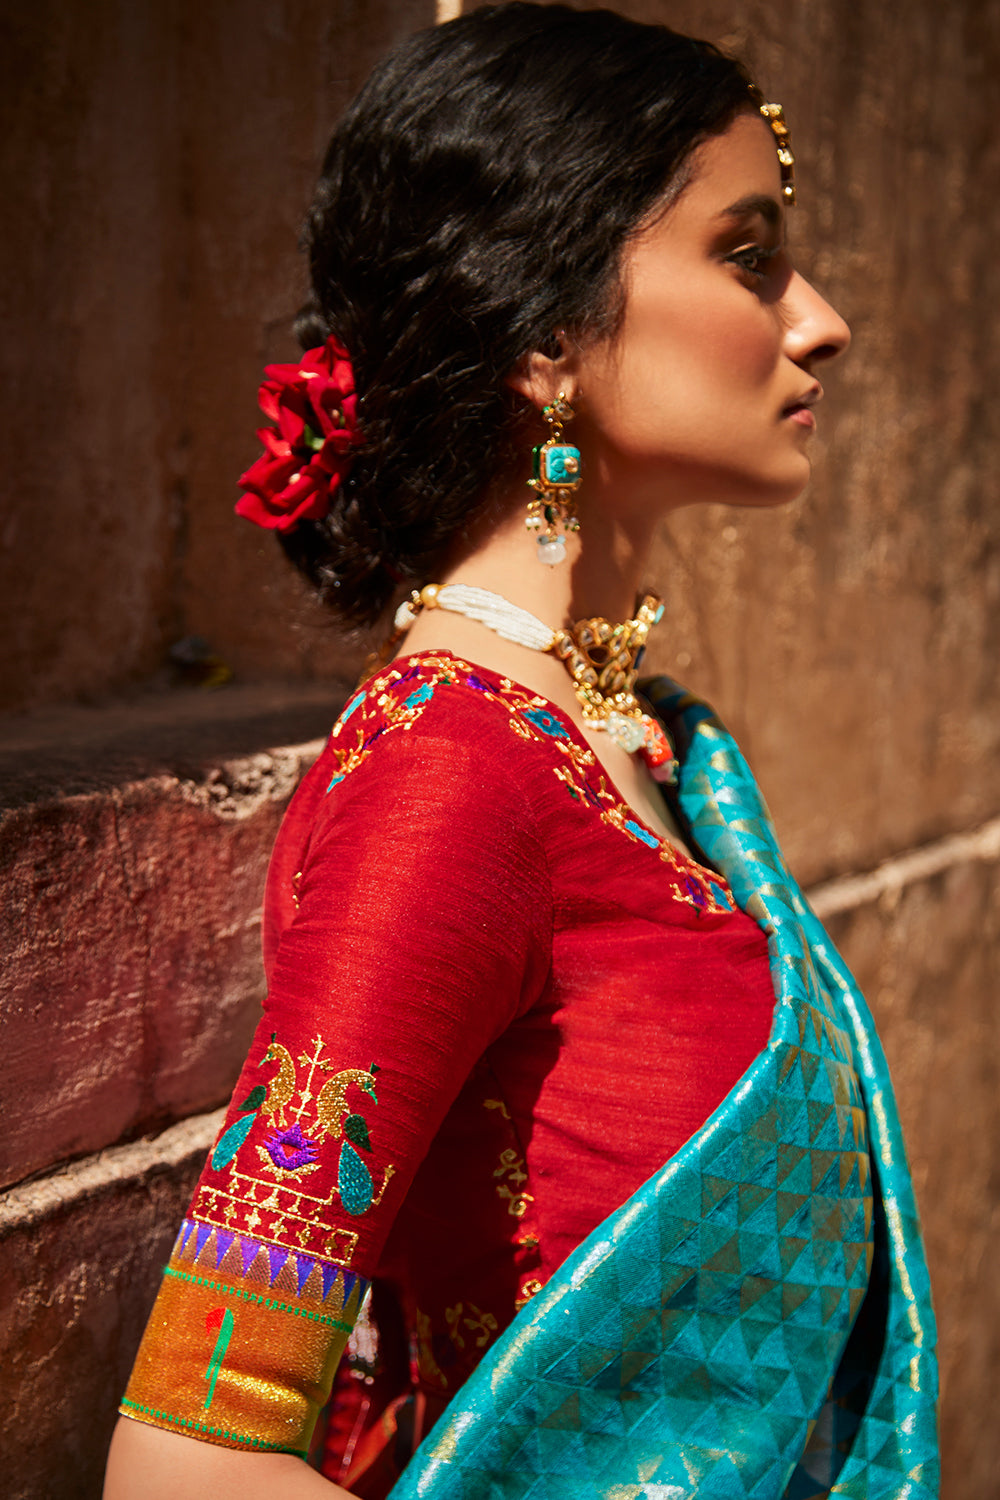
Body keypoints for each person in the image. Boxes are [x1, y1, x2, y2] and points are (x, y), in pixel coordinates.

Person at [104, 5, 939, 1498]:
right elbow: (188, 1465)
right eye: (748, 257)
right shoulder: (450, 778)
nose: (819, 319)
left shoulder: (653, 746)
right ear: (546, 332)